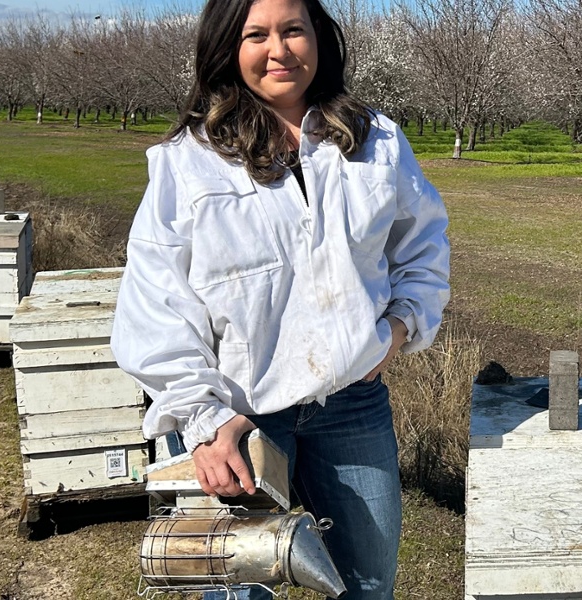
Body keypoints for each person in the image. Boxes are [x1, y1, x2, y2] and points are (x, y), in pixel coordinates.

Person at [110, 0, 450, 597]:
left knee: (367, 585)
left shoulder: (375, 142)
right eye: (256, 35)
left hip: (350, 405)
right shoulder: (190, 162)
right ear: (227, 48)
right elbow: (157, 302)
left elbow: (422, 246)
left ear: (318, 37)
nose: (278, 49)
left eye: (293, 29)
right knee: (232, 592)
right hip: (235, 418)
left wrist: (400, 327)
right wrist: (203, 420)